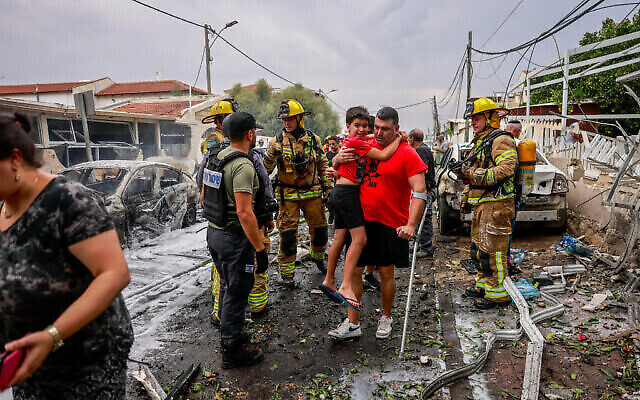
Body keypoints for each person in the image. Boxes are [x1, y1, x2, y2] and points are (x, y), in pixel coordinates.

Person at [0, 112, 133, 398]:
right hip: (28, 367)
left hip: (86, 365)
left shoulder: (68, 200)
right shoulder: (4, 207)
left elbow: (114, 273)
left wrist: (52, 335)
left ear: (13, 160)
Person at [329, 107, 427, 340]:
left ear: (397, 129)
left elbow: (420, 190)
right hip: (361, 219)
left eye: (385, 129)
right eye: (377, 128)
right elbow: (342, 159)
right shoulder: (367, 142)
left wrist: (411, 225)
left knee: (386, 272)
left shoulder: (407, 153)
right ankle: (353, 322)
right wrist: (335, 159)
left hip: (390, 222)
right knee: (354, 271)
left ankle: (386, 316)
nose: (379, 133)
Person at [202, 112, 269, 368]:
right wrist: (260, 248)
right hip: (233, 239)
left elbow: (203, 198)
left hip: (214, 233)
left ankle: (235, 334)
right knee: (237, 289)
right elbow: (244, 212)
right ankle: (231, 349)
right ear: (250, 134)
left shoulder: (215, 158)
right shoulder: (243, 165)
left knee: (231, 285)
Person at [321, 106, 401, 310]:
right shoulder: (356, 142)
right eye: (357, 125)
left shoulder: (354, 141)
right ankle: (346, 284)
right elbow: (383, 156)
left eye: (366, 126)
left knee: (339, 238)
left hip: (339, 192)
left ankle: (329, 280)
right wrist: (399, 139)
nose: (363, 129)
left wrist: (335, 162)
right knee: (360, 239)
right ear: (347, 126)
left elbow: (372, 144)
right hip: (348, 195)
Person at [263, 100, 333, 286]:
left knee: (319, 231)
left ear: (300, 119)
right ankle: (286, 275)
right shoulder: (276, 142)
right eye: (284, 119)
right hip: (288, 197)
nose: (287, 122)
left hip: (313, 194)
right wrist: (270, 154)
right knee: (287, 235)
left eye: (291, 119)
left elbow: (323, 165)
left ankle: (318, 258)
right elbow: (266, 170)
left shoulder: (313, 140)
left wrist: (328, 190)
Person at [460, 97, 517, 309]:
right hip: (484, 204)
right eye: (472, 119)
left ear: (490, 118)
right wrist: (466, 194)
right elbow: (471, 173)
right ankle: (484, 287)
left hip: (498, 205)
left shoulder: (501, 140)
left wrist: (473, 174)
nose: (473, 122)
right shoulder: (482, 141)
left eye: (477, 118)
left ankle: (498, 294)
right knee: (480, 249)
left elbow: (506, 170)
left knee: (495, 252)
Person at [408, 128, 437, 258]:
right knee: (420, 219)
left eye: (409, 138)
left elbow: (422, 171)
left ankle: (426, 248)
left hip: (426, 190)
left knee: (424, 219)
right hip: (425, 189)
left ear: (412, 139)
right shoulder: (423, 149)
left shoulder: (421, 150)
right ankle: (419, 245)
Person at [504, 120, 523, 275]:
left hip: (501, 196)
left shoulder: (501, 143)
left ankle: (503, 264)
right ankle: (507, 264)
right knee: (508, 231)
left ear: (508, 129)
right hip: (514, 195)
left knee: (501, 233)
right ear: (518, 131)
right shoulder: (520, 145)